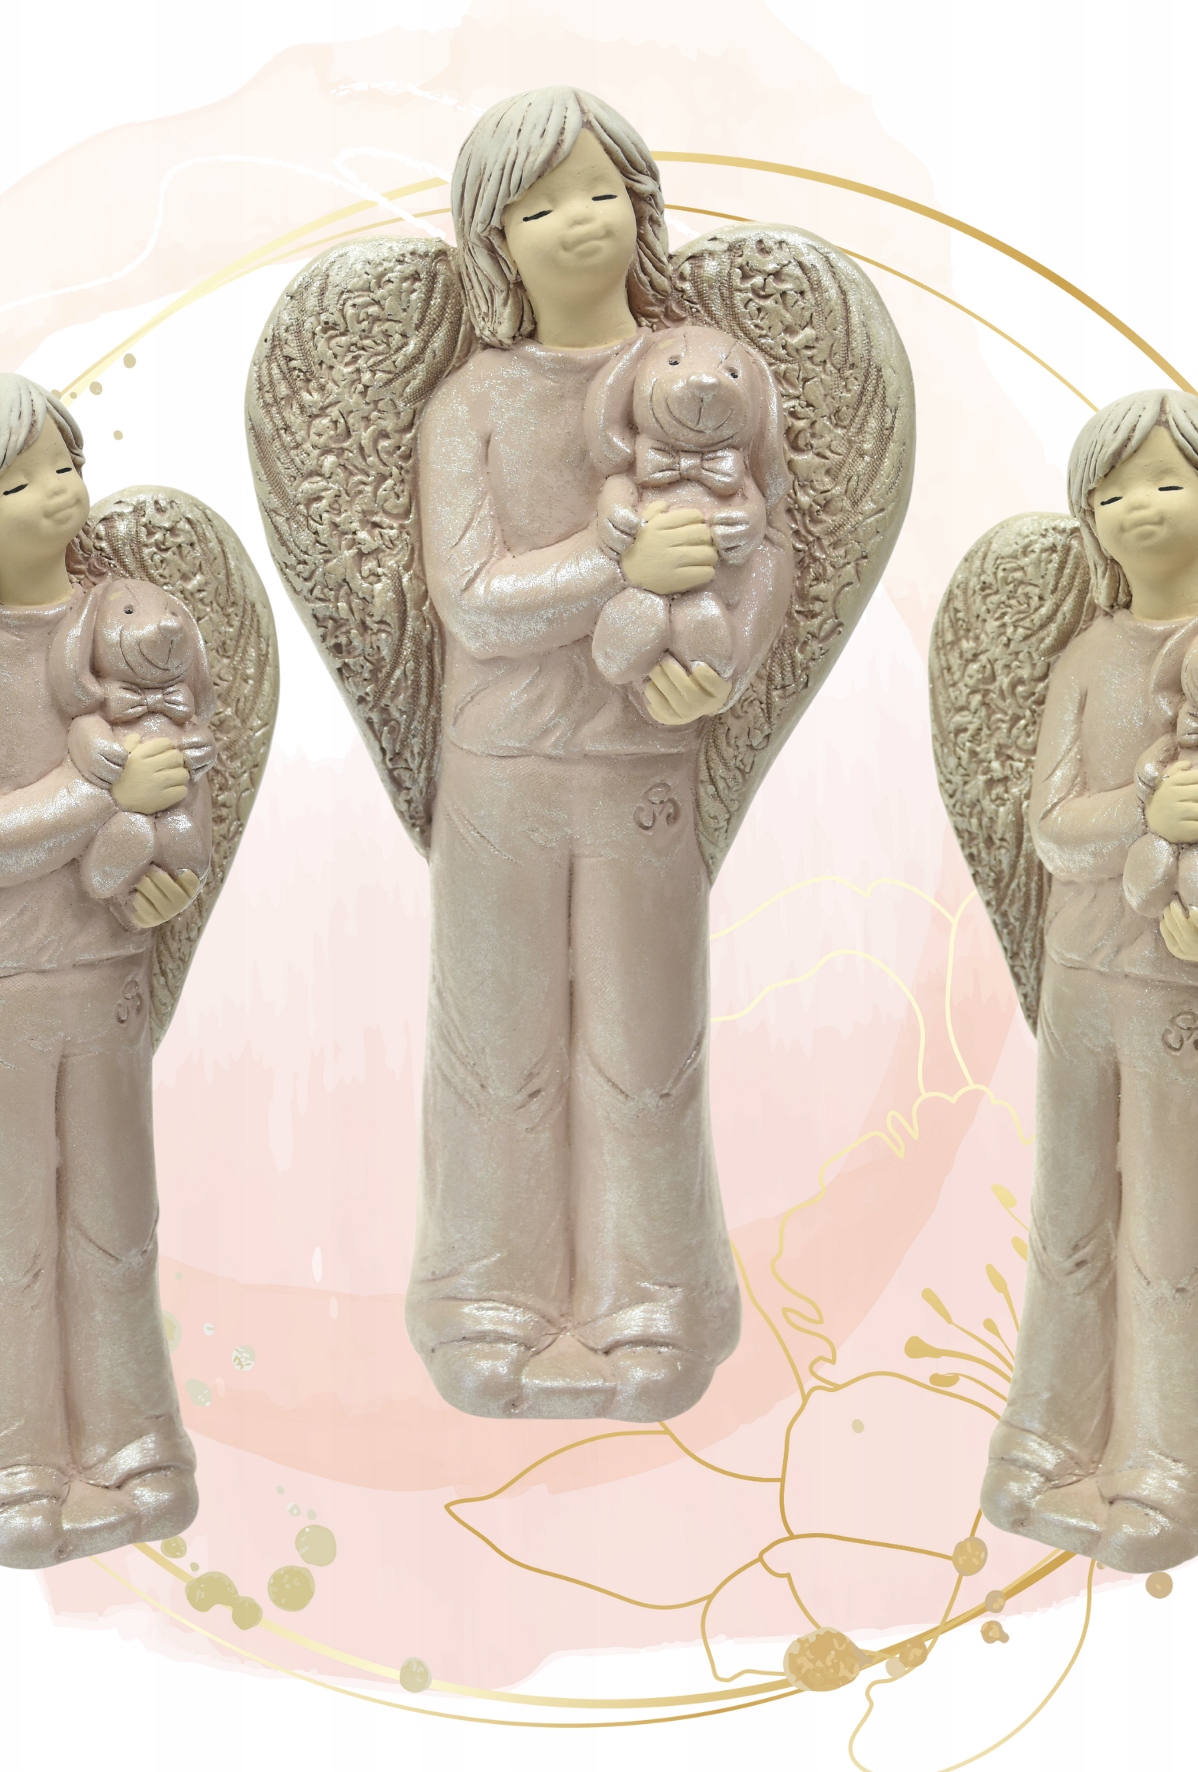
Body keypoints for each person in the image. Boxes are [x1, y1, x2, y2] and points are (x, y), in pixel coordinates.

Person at [407, 87, 793, 1421]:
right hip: (500, 773)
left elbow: (763, 548)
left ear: (643, 207)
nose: (578, 223)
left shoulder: (705, 375)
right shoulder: (472, 404)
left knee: (644, 1040)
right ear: (492, 242)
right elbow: (471, 602)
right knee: (496, 1039)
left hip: (640, 773)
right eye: (538, 207)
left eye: (600, 193)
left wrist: (717, 660)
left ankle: (654, 1297)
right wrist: (616, 561)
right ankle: (485, 1296)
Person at [982, 390, 1198, 1572]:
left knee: (1180, 1229)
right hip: (1079, 975)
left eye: (1163, 483)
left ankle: (1185, 1460)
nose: (1135, 508)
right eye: (1109, 492)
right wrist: (1142, 812)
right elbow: (1048, 827)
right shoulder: (1087, 657)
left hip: (1190, 988)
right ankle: (1053, 1432)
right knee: (1071, 1216)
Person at [0, 373, 203, 1566]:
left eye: (63, 466)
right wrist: (98, 791)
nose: (56, 495)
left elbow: (184, 790)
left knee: (113, 1215)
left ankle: (124, 1433)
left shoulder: (131, 629)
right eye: (19, 483)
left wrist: (168, 876)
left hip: (101, 971)